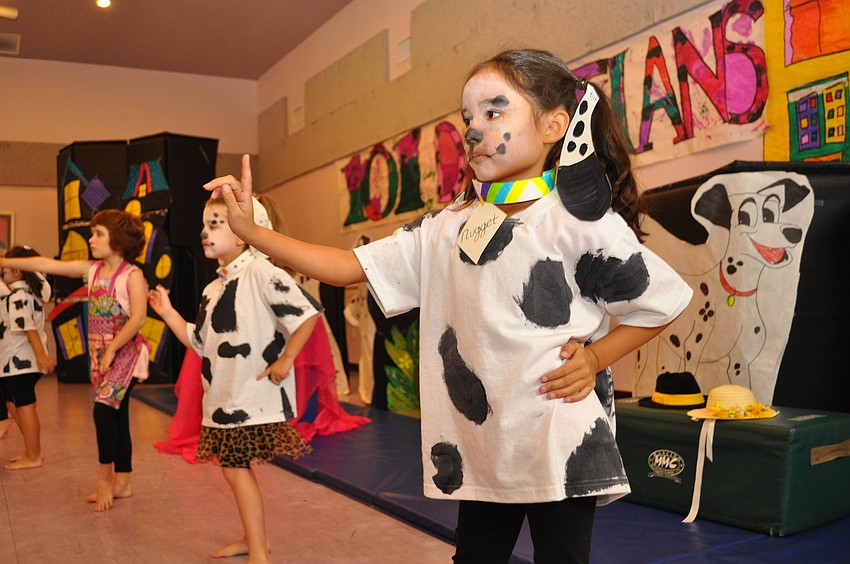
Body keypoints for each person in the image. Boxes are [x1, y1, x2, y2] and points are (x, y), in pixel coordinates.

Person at [205, 49, 692, 563]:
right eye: (468, 118)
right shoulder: (448, 226)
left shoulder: (579, 222)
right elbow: (349, 265)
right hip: (483, 443)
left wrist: (595, 358)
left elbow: (660, 302)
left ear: (555, 126)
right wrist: (254, 233)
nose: (475, 129)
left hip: (557, 435)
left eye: (495, 110)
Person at [148, 195, 319, 562]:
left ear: (243, 234)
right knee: (233, 470)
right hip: (224, 399)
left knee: (235, 470)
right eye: (205, 224)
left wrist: (287, 358)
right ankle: (252, 539)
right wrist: (167, 312)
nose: (204, 232)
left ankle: (259, 551)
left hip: (249, 397)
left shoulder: (261, 271)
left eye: (215, 224)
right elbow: (199, 341)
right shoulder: (215, 288)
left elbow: (307, 314)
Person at [0, 210, 149, 510]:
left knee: (104, 413)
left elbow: (138, 319)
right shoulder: (92, 270)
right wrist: (5, 261)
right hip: (101, 355)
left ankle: (105, 480)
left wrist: (111, 350)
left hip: (125, 355)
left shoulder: (132, 276)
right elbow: (46, 264)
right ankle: (124, 481)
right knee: (117, 416)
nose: (91, 239)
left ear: (118, 242)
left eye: (98, 234)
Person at [0, 245, 57, 469]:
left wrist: (41, 355)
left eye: (5, 270)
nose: (2, 274)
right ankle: (33, 449)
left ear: (17, 272)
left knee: (25, 406)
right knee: (13, 405)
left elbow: (29, 328)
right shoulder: (20, 294)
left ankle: (34, 455)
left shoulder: (19, 296)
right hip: (12, 363)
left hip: (21, 362)